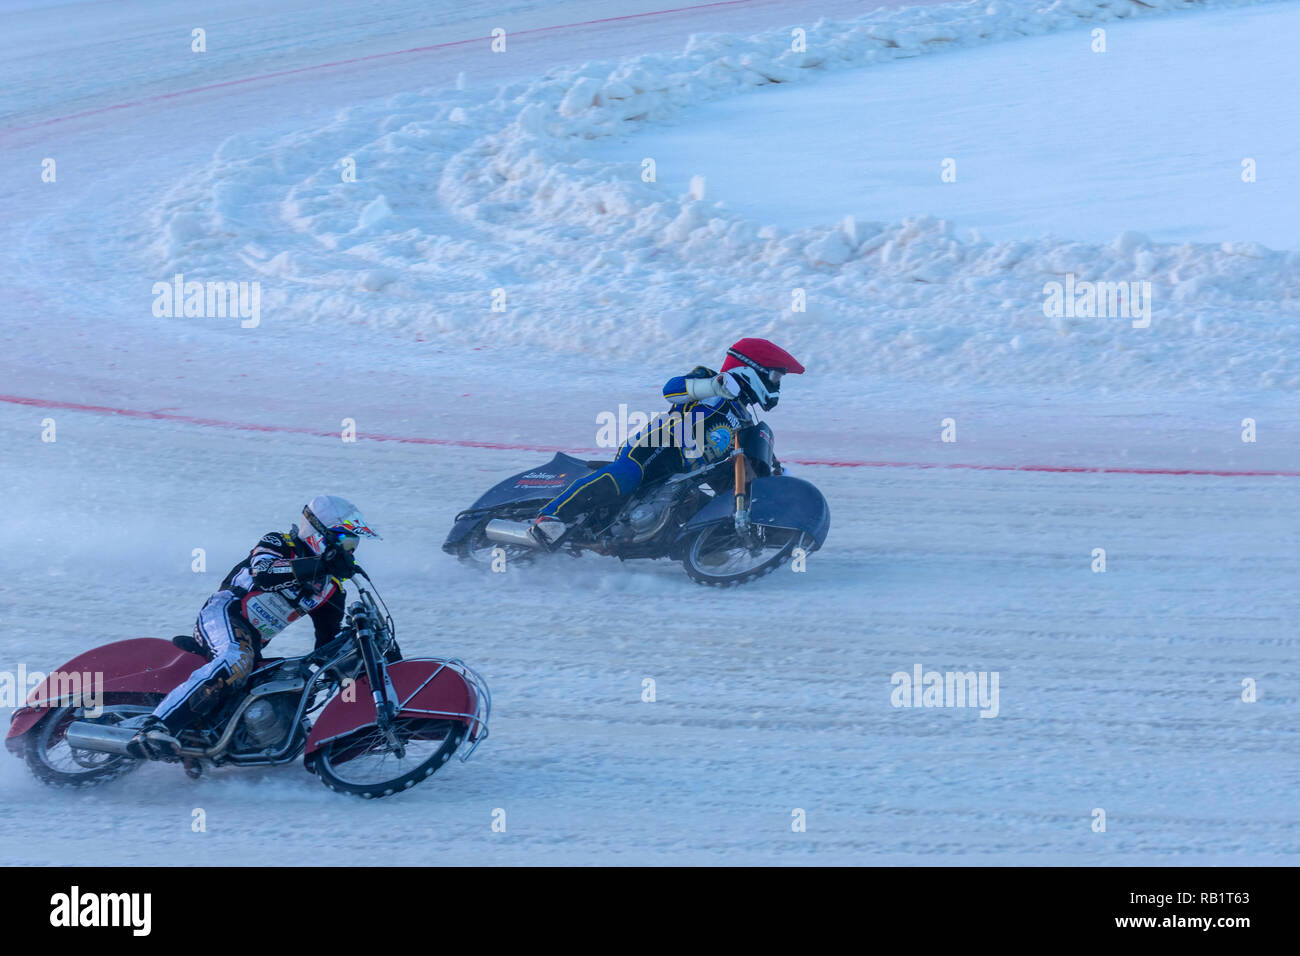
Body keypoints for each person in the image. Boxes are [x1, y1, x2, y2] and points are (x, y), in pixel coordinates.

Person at [128, 495, 380, 759]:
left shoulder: (332, 589)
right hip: (225, 615)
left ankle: (216, 742)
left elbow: (325, 646)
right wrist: (320, 564)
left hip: (252, 642)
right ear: (320, 533)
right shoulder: (281, 542)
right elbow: (264, 573)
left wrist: (352, 660)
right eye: (346, 541)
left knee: (290, 695)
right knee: (236, 659)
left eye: (355, 543)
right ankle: (155, 727)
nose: (350, 551)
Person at [531, 337, 804, 548]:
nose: (777, 386)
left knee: (705, 510)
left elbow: (743, 464)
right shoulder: (711, 381)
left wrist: (777, 480)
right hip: (658, 447)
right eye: (775, 377)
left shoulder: (745, 421)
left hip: (683, 476)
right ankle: (550, 517)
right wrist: (712, 386)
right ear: (750, 368)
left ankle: (702, 550)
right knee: (628, 473)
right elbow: (671, 389)